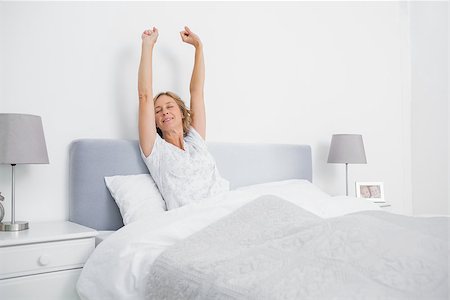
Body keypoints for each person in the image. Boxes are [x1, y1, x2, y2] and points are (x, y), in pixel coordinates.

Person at [138, 26, 229, 210]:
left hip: (225, 206)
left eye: (170, 107)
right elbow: (145, 95)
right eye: (158, 111)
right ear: (154, 121)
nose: (164, 112)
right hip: (193, 218)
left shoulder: (196, 141)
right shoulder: (155, 150)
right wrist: (147, 46)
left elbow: (197, 93)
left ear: (182, 112)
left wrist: (199, 48)